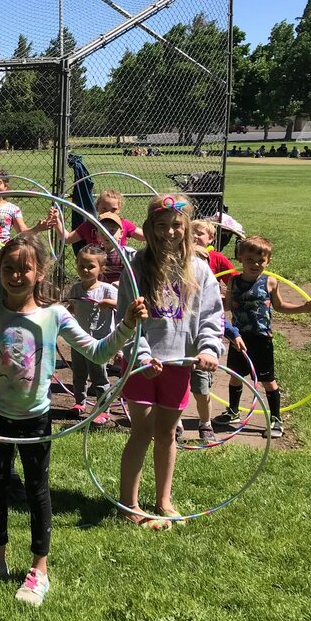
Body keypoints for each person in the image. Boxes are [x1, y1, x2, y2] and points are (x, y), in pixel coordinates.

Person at [0, 235, 147, 603]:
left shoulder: (54, 315)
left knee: (37, 491)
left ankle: (39, 570)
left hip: (35, 419)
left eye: (24, 268)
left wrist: (127, 324)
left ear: (40, 272)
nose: (16, 275)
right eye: (8, 268)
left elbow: (98, 353)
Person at [116, 195, 224, 530]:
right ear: (148, 229)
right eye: (160, 225)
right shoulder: (135, 268)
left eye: (176, 225)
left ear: (187, 228)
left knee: (167, 433)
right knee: (143, 429)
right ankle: (129, 503)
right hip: (141, 364)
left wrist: (208, 349)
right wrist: (143, 355)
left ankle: (164, 500)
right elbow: (127, 319)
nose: (169, 232)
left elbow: (211, 317)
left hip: (180, 363)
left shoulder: (200, 270)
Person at [214, 236, 311, 439]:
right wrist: (211, 300)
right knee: (235, 376)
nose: (255, 264)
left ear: (268, 261)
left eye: (260, 261)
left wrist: (303, 308)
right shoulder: (234, 281)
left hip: (262, 338)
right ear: (240, 258)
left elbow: (279, 306)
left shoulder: (270, 281)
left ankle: (275, 418)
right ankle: (233, 411)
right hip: (238, 338)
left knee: (267, 380)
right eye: (249, 260)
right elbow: (228, 306)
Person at [184, 220, 238, 443]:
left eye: (201, 234)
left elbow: (214, 314)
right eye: (192, 233)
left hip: (201, 344)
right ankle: (176, 424)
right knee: (176, 387)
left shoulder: (212, 269)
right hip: (178, 342)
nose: (196, 237)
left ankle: (205, 423)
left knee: (201, 388)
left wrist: (232, 330)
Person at [65, 245, 117, 425]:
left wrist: (109, 303)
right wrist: (66, 312)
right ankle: (79, 402)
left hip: (99, 342)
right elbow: (72, 307)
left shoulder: (106, 289)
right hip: (78, 339)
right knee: (78, 373)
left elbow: (121, 305)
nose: (85, 270)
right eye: (81, 266)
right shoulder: (76, 289)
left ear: (101, 269)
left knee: (99, 376)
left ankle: (103, 408)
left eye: (90, 266)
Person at [0, 168, 47, 244]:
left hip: (3, 251)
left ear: (5, 187)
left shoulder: (12, 209)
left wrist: (37, 228)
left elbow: (22, 232)